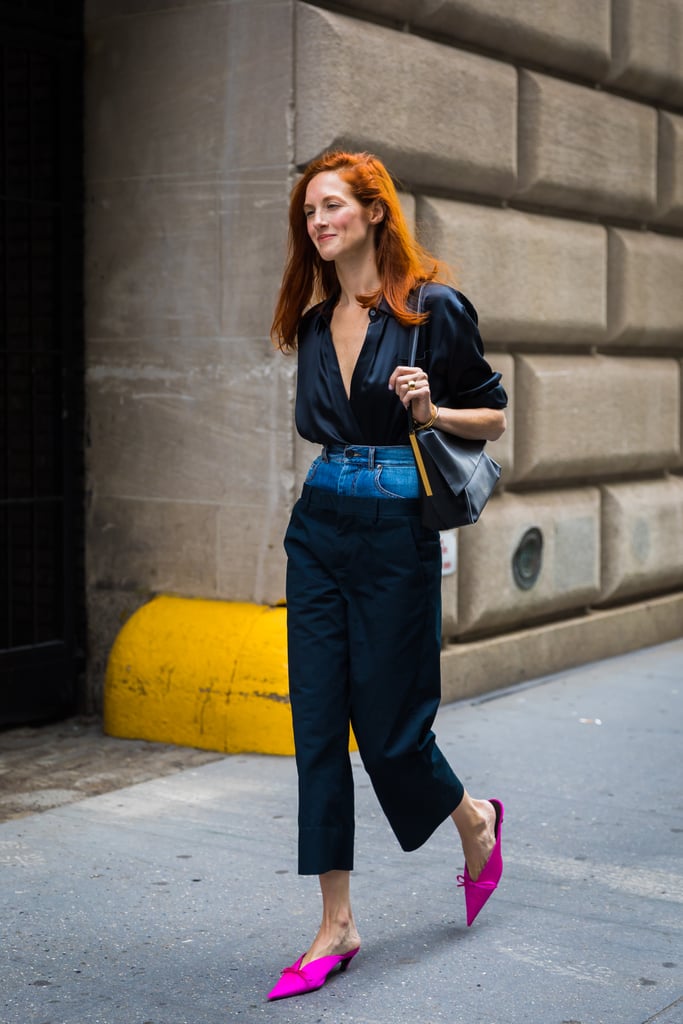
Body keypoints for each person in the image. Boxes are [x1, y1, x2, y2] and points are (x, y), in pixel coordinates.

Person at [267, 151, 508, 1002]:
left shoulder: (430, 309)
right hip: (320, 527)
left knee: (392, 727)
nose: (318, 222)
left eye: (331, 206)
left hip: (396, 529)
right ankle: (336, 922)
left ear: (373, 212)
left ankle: (473, 818)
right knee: (318, 720)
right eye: (307, 213)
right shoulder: (309, 321)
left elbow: (494, 412)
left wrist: (430, 409)